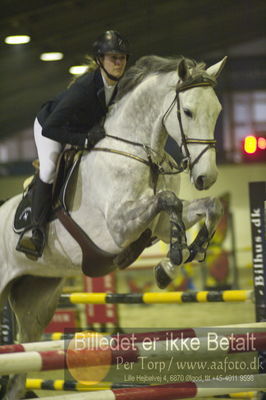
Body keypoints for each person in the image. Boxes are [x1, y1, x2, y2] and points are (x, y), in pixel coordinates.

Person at [17, 30, 129, 259]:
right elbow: (52, 127)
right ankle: (35, 231)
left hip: (78, 128)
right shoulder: (84, 89)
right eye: (113, 58)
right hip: (50, 126)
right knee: (49, 169)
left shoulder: (119, 87)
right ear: (100, 60)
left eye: (122, 58)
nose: (119, 63)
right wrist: (84, 140)